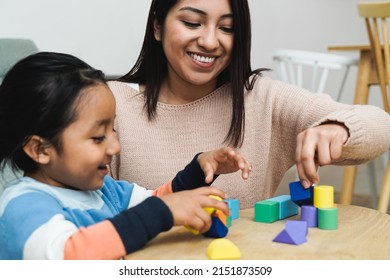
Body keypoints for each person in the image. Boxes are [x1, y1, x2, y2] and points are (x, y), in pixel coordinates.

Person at [108, 0, 390, 209]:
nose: (209, 41)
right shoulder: (112, 104)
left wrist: (338, 127)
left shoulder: (260, 99)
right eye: (192, 23)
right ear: (157, 26)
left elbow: (382, 125)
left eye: (227, 28)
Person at [0, 51, 252, 260]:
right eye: (98, 137)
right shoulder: (22, 205)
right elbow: (69, 255)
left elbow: (156, 200)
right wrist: (159, 212)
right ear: (41, 150)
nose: (115, 147)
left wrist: (199, 169)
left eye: (113, 130)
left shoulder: (104, 191)